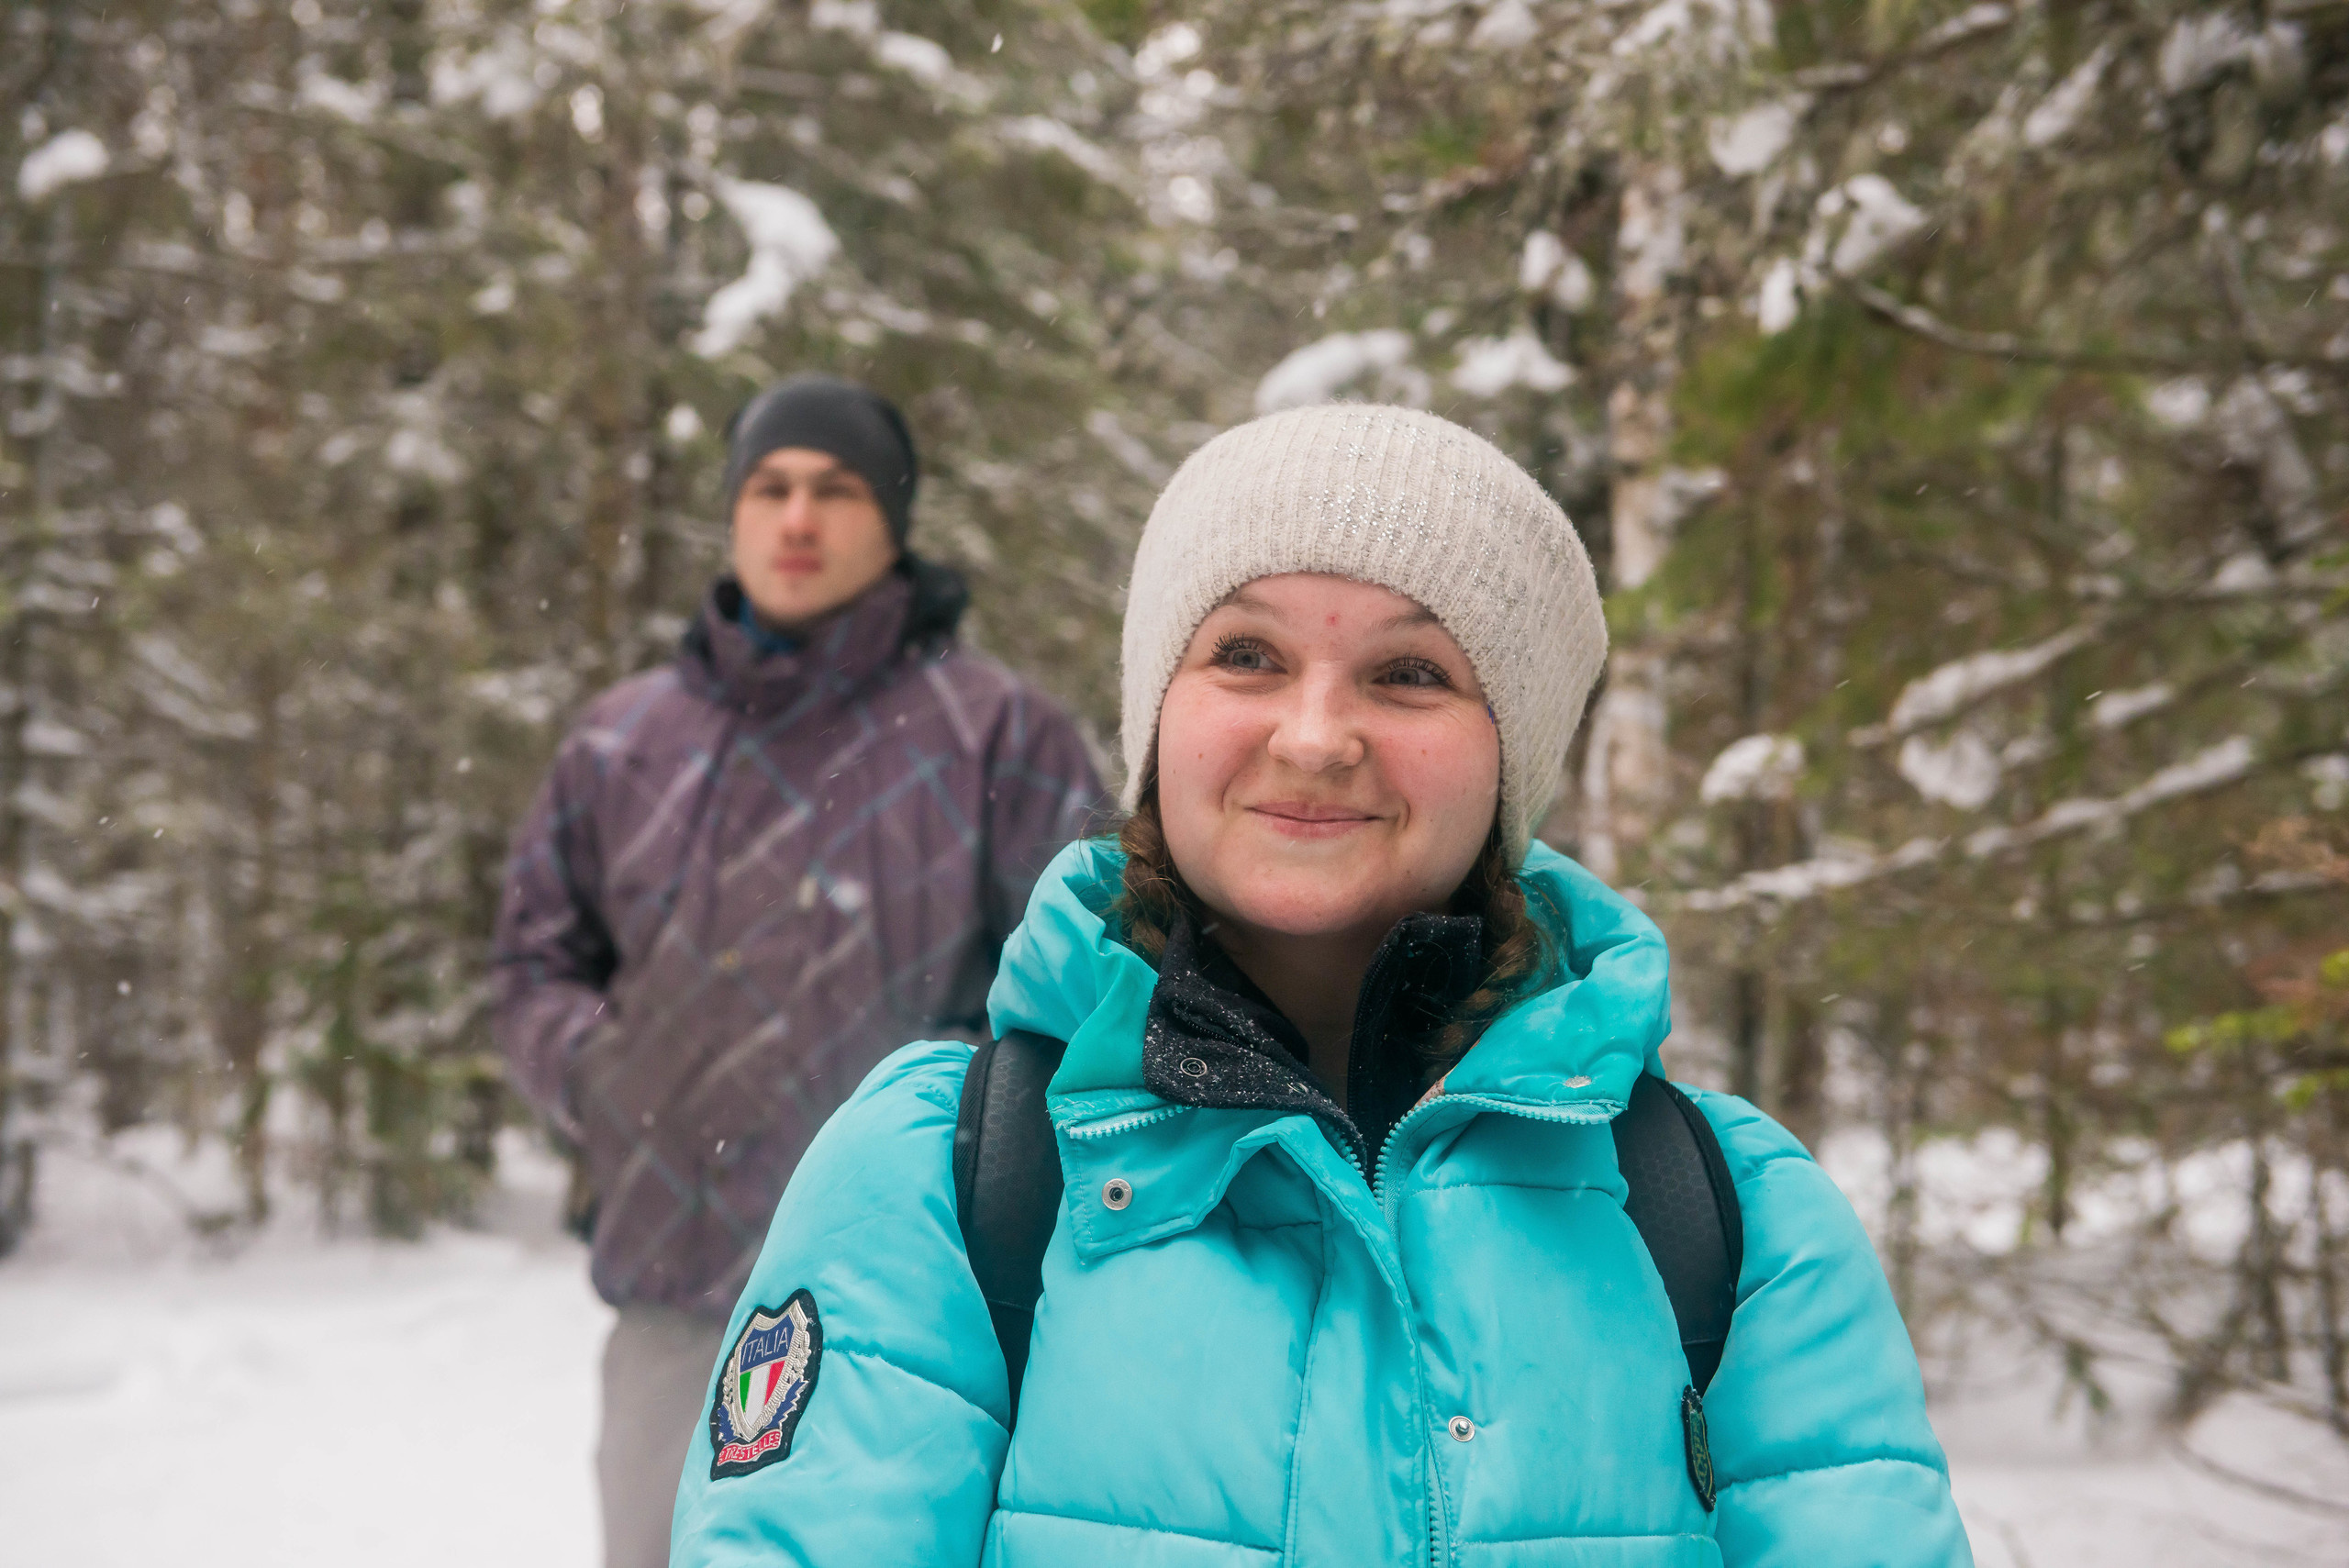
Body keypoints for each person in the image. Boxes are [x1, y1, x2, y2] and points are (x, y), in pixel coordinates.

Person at [668, 404, 1974, 1566]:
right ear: (1157, 718)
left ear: (1509, 755)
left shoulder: (1725, 1215)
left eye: (1411, 673)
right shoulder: (945, 1177)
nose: (1314, 734)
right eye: (1246, 655)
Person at [491, 374, 1102, 1568]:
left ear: (896, 520)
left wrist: (971, 1140)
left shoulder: (999, 732)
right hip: (676, 1285)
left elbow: (1084, 983)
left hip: (923, 1297)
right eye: (769, 487)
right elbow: (534, 955)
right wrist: (603, 1079)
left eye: (836, 487)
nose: (798, 516)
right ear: (733, 513)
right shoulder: (622, 740)